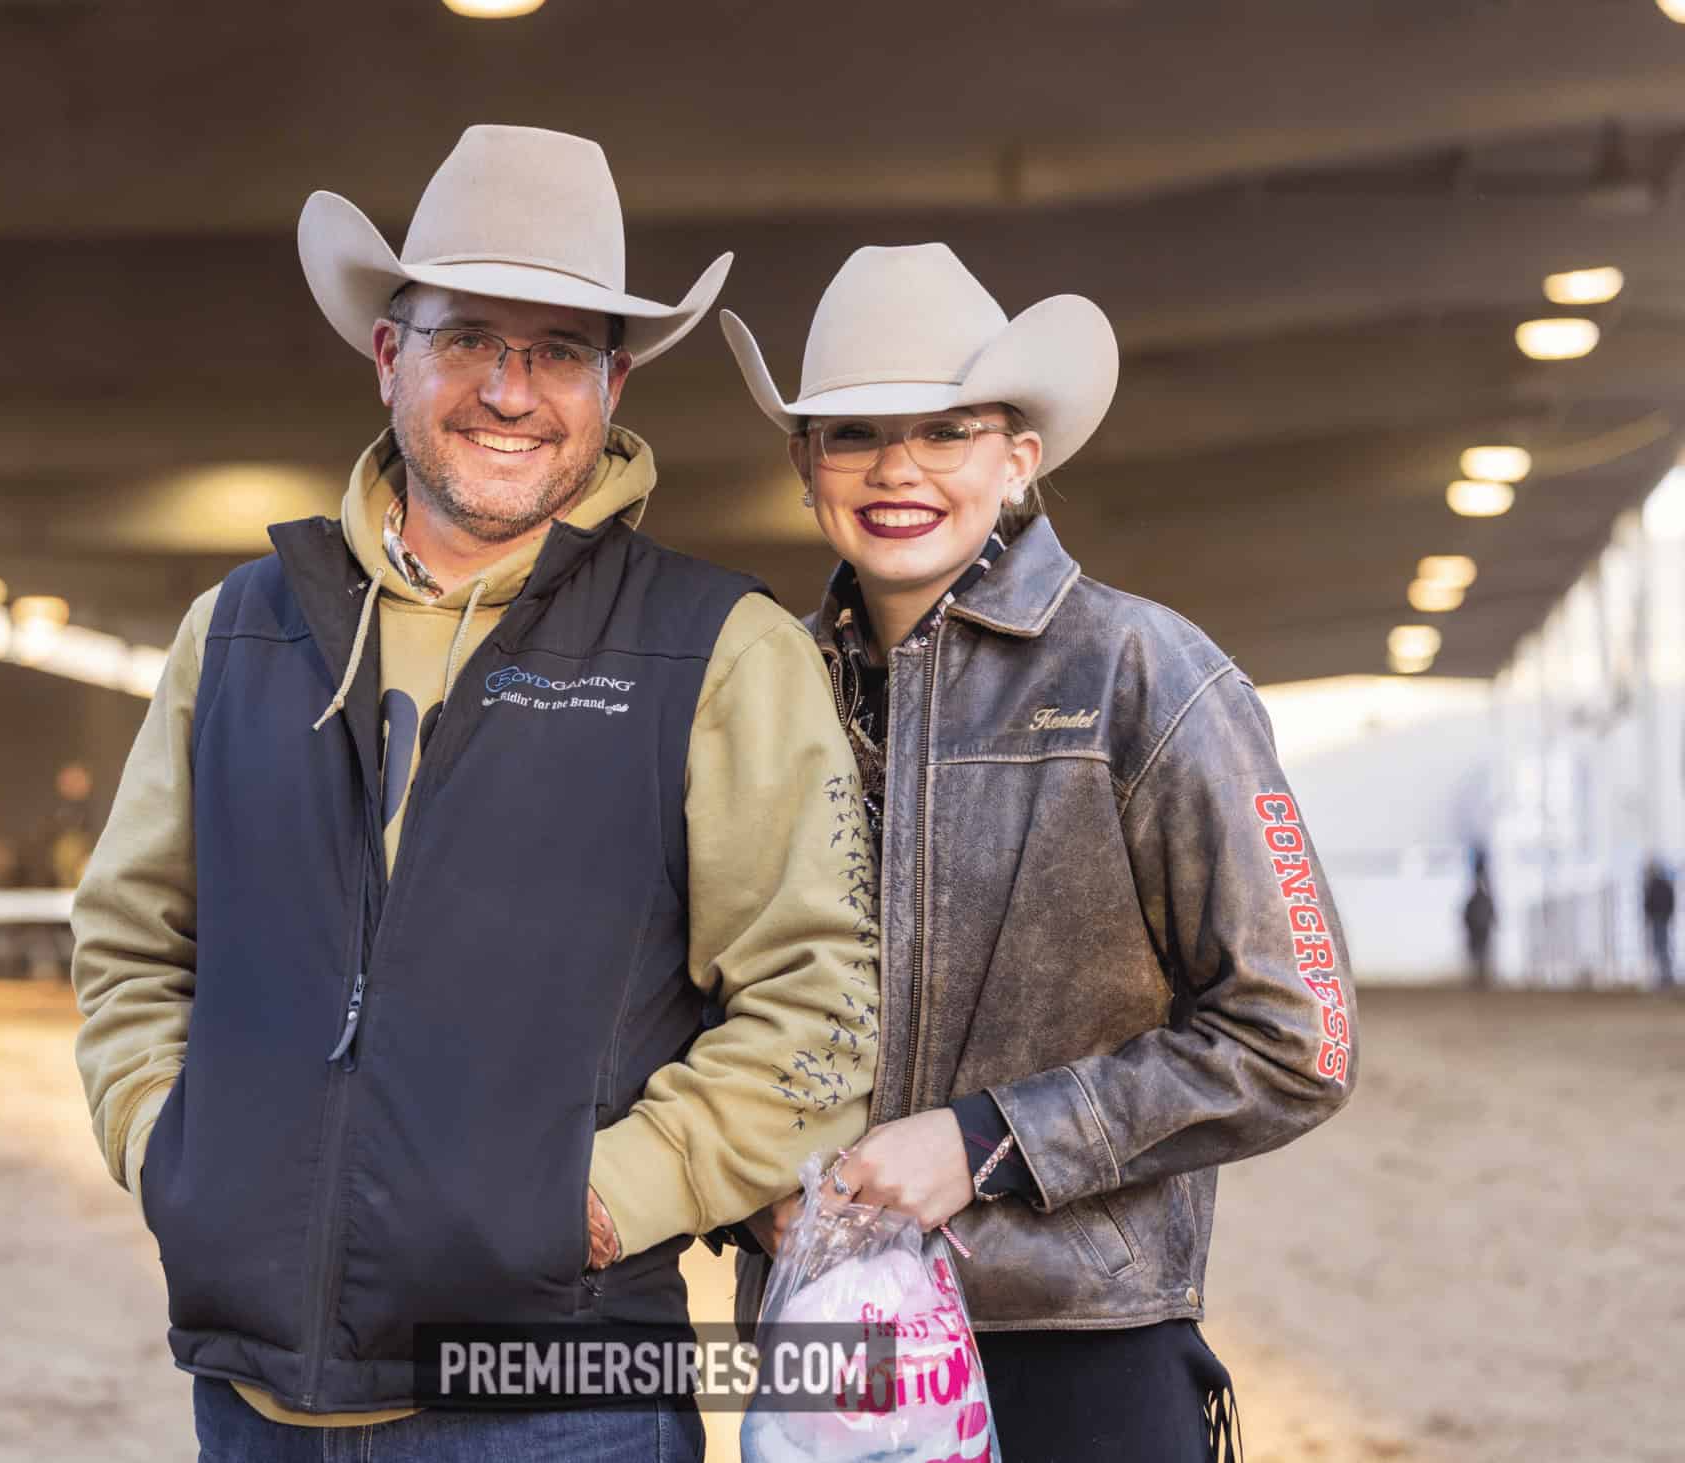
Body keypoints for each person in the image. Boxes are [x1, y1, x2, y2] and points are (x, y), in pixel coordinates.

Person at [69, 125, 879, 1462]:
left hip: (559, 1393)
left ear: (614, 383)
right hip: (257, 1392)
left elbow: (818, 1007)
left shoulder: (718, 651)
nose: (510, 390)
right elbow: (130, 939)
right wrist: (172, 1145)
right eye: (469, 340)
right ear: (390, 354)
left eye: (558, 350)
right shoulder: (239, 630)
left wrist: (597, 1205)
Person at [719, 244, 1358, 1459]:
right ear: (804, 464)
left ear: (1017, 458)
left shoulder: (1145, 673)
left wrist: (984, 1140)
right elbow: (687, 991)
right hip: (826, 1337)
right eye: (852, 433)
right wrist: (745, 1182)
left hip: (1079, 1341)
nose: (895, 468)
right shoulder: (755, 688)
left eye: (943, 430)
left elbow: (1298, 1037)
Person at [1463, 850, 1496, 988]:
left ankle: (1482, 978)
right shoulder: (1478, 897)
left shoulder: (1483, 896)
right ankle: (1478, 978)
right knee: (1478, 953)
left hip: (1481, 926)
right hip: (1477, 927)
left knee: (1481, 952)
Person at [1645, 858, 1676, 990]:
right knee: (1661, 949)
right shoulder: (1663, 885)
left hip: (1659, 920)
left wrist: (1650, 915)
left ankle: (1665, 978)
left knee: (1661, 949)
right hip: (1660, 920)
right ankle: (1664, 978)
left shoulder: (1654, 886)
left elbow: (1649, 903)